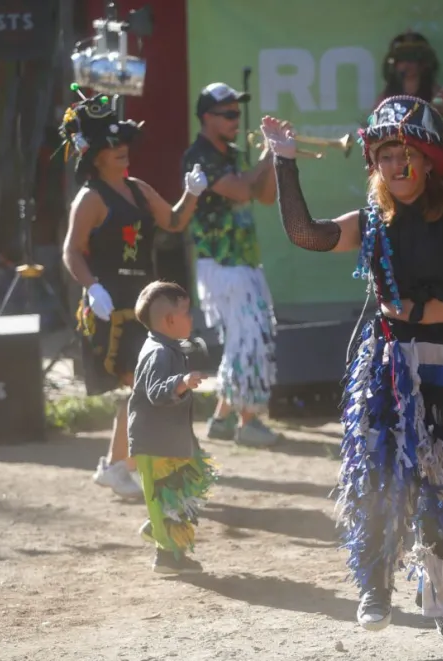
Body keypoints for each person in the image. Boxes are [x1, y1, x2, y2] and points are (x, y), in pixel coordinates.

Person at [261, 73, 443, 650]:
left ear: (427, 160)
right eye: (383, 156)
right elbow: (306, 233)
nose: (395, 166)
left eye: (405, 155)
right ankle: (375, 585)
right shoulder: (373, 218)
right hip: (392, 361)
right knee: (380, 474)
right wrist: (285, 161)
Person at [60, 87, 209, 499]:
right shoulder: (89, 199)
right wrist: (92, 287)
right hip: (112, 308)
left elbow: (175, 221)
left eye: (124, 142)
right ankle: (162, 470)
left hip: (145, 306)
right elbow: (70, 250)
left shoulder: (140, 188)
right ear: (95, 155)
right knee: (145, 386)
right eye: (113, 145)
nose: (124, 150)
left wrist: (192, 194)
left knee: (143, 388)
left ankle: (117, 466)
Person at [182, 82, 282, 447]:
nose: (235, 120)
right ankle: (248, 421)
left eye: (237, 114)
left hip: (244, 261)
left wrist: (276, 159)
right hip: (221, 264)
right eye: (228, 115)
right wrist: (269, 156)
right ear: (207, 117)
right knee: (248, 339)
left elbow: (266, 197)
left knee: (246, 339)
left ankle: (223, 419)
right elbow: (240, 190)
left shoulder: (237, 154)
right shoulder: (199, 157)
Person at [129, 280, 216, 575]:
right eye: (187, 313)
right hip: (155, 443)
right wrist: (181, 382)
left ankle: (159, 530)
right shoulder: (159, 353)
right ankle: (167, 558)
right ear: (169, 320)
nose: (192, 319)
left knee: (186, 486)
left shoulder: (168, 347)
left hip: (169, 439)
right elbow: (155, 391)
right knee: (168, 496)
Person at [379, 30, 443, 143]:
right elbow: (373, 129)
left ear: (424, 64)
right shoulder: (386, 96)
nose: (407, 64)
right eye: (401, 60)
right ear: (394, 65)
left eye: (413, 59)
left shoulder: (436, 94)